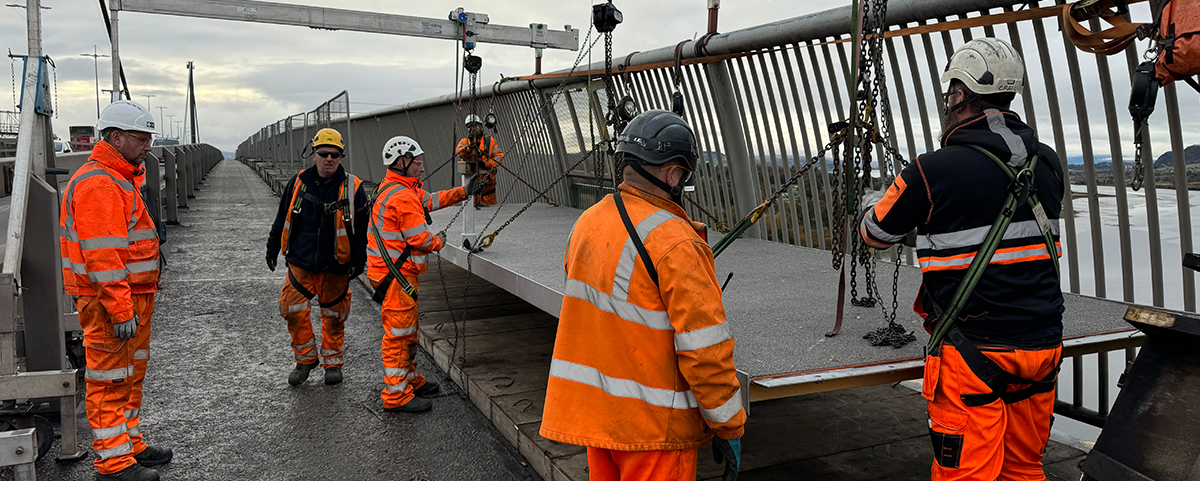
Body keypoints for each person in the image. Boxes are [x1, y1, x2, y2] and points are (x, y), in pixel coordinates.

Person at [858, 38, 1065, 481]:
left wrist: (872, 202)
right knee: (1024, 468)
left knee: (966, 475)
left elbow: (874, 234)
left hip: (973, 353)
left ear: (960, 95)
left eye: (950, 92)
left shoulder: (933, 170)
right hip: (1041, 345)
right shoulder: (1046, 163)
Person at [541, 110, 747, 481]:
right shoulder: (676, 242)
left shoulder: (588, 222)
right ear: (672, 173)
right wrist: (729, 425)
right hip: (655, 431)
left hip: (600, 419)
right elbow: (705, 351)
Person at [60, 100, 172, 481]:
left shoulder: (120, 178)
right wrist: (120, 308)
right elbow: (102, 256)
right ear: (116, 137)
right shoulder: (100, 184)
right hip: (111, 301)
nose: (148, 146)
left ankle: (129, 443)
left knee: (130, 374)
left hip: (133, 295)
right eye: (142, 138)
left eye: (149, 138)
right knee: (109, 378)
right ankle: (113, 463)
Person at [367, 135, 483, 413]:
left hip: (392, 275)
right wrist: (440, 240)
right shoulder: (403, 197)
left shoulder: (396, 187)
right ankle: (396, 396)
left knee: (407, 331)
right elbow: (420, 239)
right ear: (401, 162)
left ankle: (410, 381)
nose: (422, 167)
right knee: (399, 334)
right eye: (417, 163)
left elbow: (431, 200)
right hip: (396, 277)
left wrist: (464, 192)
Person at [266, 128, 369, 386]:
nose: (329, 159)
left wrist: (359, 259)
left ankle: (333, 364)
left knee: (334, 318)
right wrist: (272, 247)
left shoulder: (353, 188)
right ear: (313, 155)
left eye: (335, 155)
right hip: (301, 263)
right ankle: (305, 360)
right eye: (324, 154)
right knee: (291, 309)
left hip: (335, 265)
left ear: (341, 157)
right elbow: (282, 218)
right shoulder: (298, 182)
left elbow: (362, 228)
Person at [455, 114, 503, 208]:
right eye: (469, 126)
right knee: (472, 214)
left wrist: (485, 164)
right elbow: (460, 152)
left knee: (490, 215)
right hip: (471, 192)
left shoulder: (490, 141)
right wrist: (470, 149)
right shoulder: (465, 142)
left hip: (488, 191)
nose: (471, 129)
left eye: (474, 125)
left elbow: (499, 157)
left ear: (481, 127)